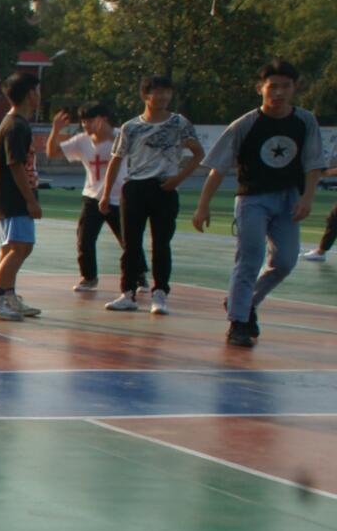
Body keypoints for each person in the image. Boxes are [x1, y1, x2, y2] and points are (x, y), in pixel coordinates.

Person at [192, 60, 327, 348]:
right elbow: (218, 168)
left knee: (285, 261)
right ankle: (238, 323)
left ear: (294, 89)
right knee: (249, 259)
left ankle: (243, 301)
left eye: (285, 87)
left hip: (289, 198)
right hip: (252, 199)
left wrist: (307, 198)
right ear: (260, 89)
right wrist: (203, 205)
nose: (278, 93)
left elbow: (314, 163)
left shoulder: (305, 122)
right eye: (272, 86)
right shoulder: (246, 124)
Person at [100, 75, 202, 315]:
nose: (164, 97)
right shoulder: (131, 127)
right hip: (135, 188)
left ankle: (160, 293)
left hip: (164, 189)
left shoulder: (179, 123)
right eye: (158, 92)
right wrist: (106, 194)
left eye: (167, 92)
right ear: (145, 95)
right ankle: (127, 293)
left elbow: (198, 153)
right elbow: (115, 161)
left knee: (161, 243)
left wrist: (178, 178)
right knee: (131, 244)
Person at [0, 73, 43, 321]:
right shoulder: (16, 126)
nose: (40, 96)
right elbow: (16, 165)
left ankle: (8, 295)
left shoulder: (13, 124)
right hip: (14, 199)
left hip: (6, 198)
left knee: (9, 248)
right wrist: (30, 200)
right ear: (30, 94)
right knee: (21, 247)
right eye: (38, 91)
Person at [46, 104, 120, 291]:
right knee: (84, 238)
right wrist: (55, 130)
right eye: (83, 121)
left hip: (119, 197)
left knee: (128, 240)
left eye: (90, 120)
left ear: (102, 119)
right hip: (92, 196)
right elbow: (52, 152)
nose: (86, 124)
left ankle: (139, 275)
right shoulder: (82, 141)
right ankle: (89, 277)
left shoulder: (120, 136)